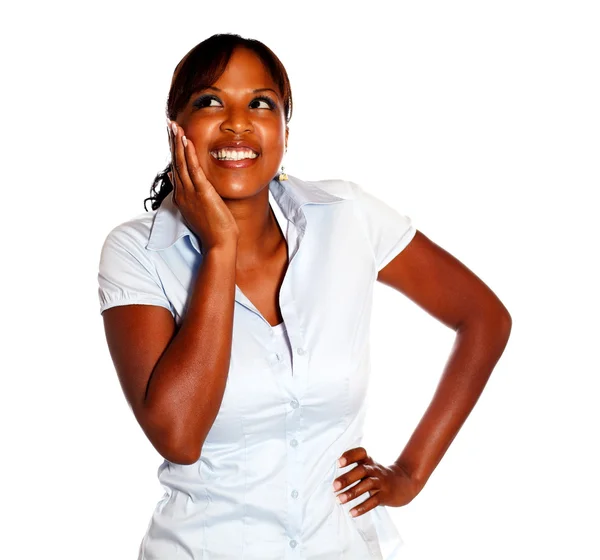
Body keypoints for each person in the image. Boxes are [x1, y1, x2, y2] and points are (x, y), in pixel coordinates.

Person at [97, 33, 512, 560]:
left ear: (285, 133)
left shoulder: (347, 217)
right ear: (176, 130)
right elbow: (179, 435)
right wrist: (220, 248)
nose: (237, 122)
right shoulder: (137, 251)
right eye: (210, 102)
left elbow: (483, 318)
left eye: (260, 104)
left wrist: (410, 473)